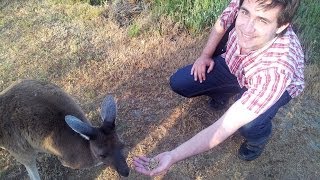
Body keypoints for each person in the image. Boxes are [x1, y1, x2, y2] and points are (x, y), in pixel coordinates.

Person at [134, 0, 304, 176]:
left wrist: (173, 155)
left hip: (272, 86)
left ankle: (258, 139)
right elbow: (223, 21)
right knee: (181, 82)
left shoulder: (276, 70)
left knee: (249, 125)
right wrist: (205, 55)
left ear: (282, 26)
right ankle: (223, 92)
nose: (246, 28)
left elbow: (224, 127)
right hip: (234, 65)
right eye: (245, 13)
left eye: (262, 20)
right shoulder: (243, 2)